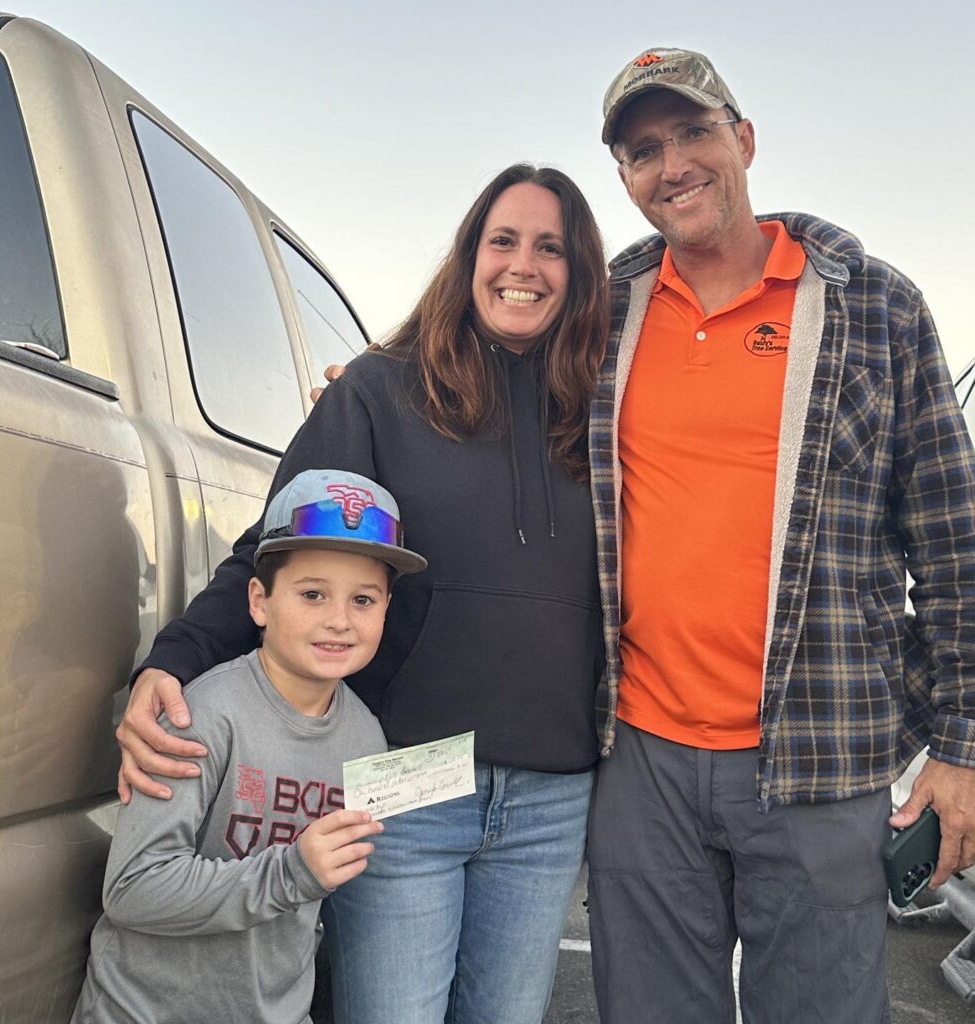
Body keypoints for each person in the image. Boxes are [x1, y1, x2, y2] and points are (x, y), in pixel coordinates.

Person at [114, 164, 609, 1024]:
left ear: (580, 271)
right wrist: (174, 659)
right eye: (503, 241)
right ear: (470, 255)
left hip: (551, 796)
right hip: (407, 773)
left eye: (550, 247)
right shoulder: (380, 391)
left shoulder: (605, 411)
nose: (523, 265)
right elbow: (273, 552)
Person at [584, 46, 975, 1024]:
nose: (672, 164)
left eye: (692, 131)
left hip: (821, 755)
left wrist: (969, 747)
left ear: (742, 139)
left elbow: (954, 541)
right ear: (625, 178)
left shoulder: (874, 304)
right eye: (642, 150)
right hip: (639, 756)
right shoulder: (603, 313)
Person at [71, 468, 427, 1024]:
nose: (339, 620)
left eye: (364, 599)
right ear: (259, 601)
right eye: (312, 594)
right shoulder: (202, 715)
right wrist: (291, 873)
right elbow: (132, 888)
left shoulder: (365, 737)